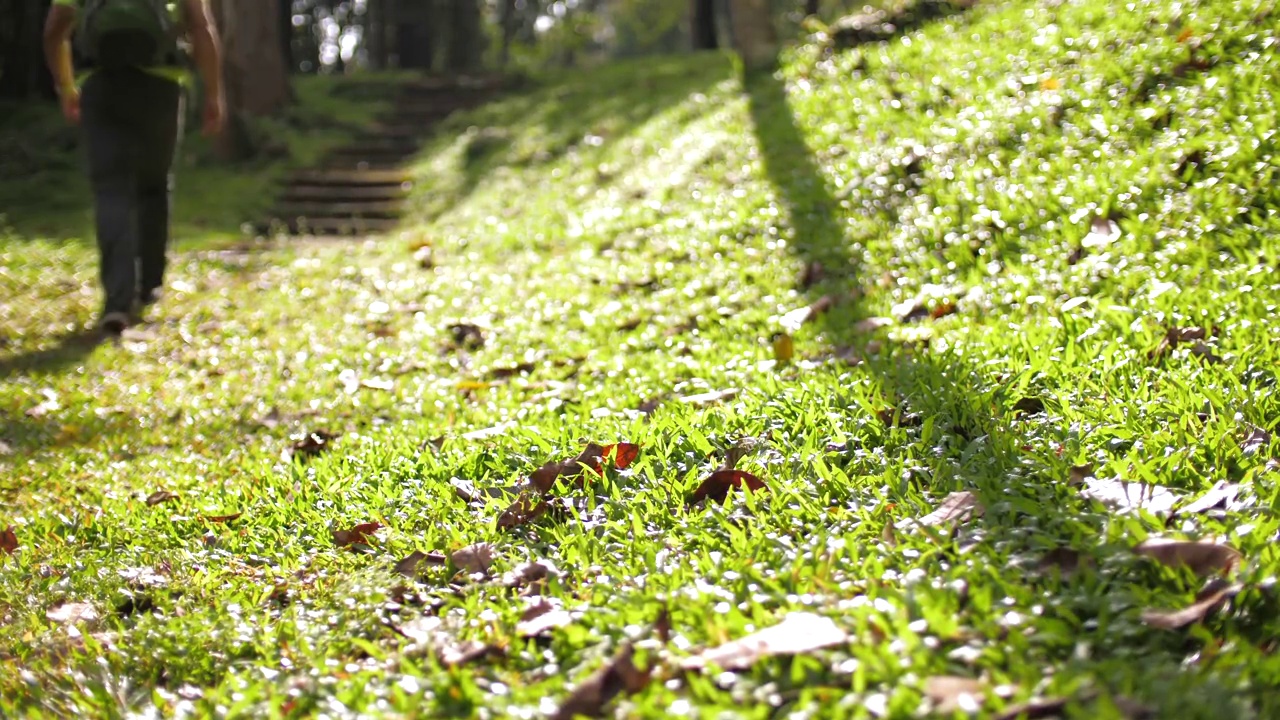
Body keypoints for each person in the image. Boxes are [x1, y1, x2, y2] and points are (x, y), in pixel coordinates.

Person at [43, 0, 227, 336]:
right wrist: (214, 93)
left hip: (101, 84)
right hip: (162, 84)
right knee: (154, 184)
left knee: (110, 189)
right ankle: (150, 284)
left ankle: (117, 302)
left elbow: (55, 31)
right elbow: (201, 27)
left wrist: (66, 87)